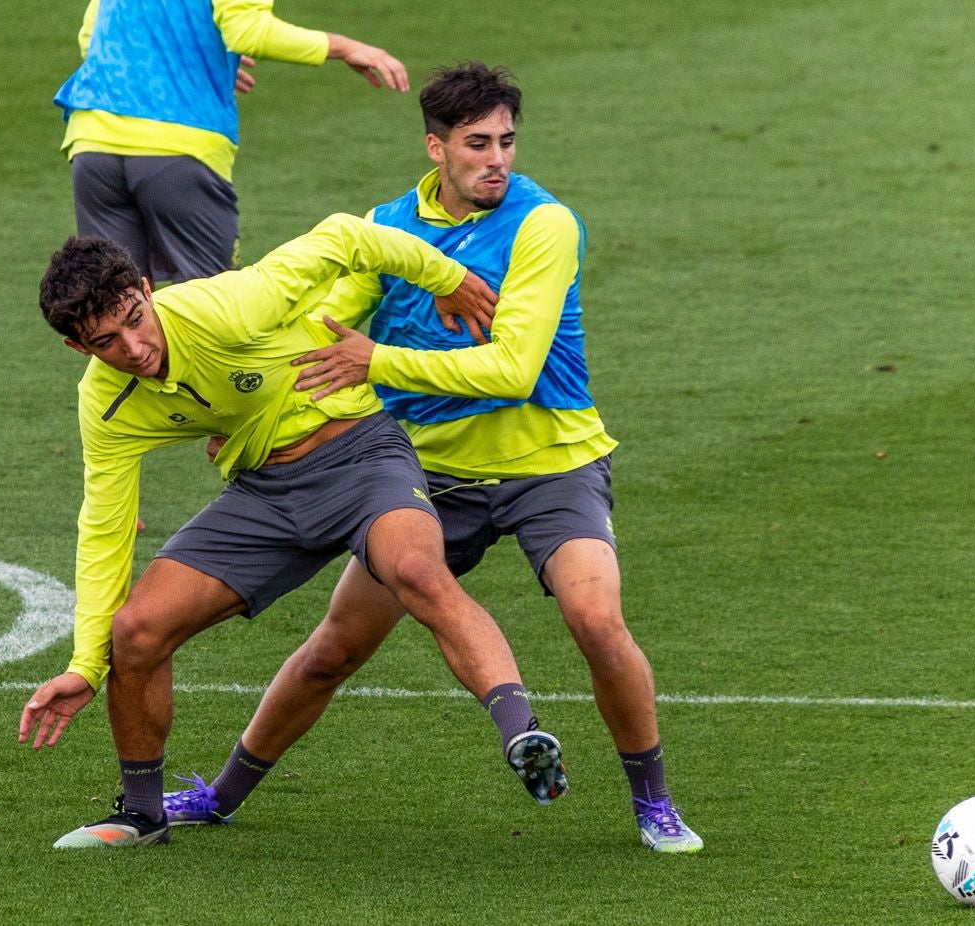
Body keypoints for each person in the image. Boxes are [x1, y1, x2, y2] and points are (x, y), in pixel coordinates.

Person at [163, 62, 704, 853]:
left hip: (549, 461)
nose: (497, 160)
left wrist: (377, 361)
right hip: (427, 477)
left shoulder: (543, 224)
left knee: (595, 618)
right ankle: (220, 795)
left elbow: (513, 367)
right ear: (435, 147)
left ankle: (653, 804)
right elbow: (315, 334)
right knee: (335, 649)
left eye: (507, 143)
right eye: (477, 144)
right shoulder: (387, 225)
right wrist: (242, 405)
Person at [18, 212, 568, 850]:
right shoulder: (106, 404)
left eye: (135, 318)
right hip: (266, 495)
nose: (134, 348)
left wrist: (446, 278)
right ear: (78, 348)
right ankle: (142, 815)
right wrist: (86, 666)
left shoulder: (224, 307)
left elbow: (343, 235)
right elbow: (104, 531)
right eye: (107, 341)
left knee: (416, 570)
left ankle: (522, 734)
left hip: (361, 456)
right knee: (135, 634)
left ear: (146, 288)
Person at [55, 0, 409, 284]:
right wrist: (343, 46)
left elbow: (94, 38)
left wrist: (196, 60)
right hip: (179, 146)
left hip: (93, 145)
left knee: (114, 307)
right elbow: (248, 31)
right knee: (212, 311)